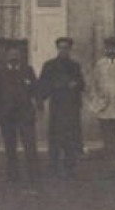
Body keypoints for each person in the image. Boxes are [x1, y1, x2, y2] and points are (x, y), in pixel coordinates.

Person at [0, 47, 40, 181]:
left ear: (20, 57)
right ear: (6, 57)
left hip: (25, 114)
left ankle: (33, 174)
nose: (13, 59)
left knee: (30, 145)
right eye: (11, 56)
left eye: (16, 56)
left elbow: (36, 90)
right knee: (10, 146)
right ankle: (13, 175)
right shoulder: (0, 72)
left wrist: (39, 108)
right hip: (7, 115)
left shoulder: (28, 71)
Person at [37, 37, 86, 177]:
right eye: (61, 47)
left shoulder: (75, 66)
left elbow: (82, 84)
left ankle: (70, 166)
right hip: (57, 105)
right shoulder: (50, 65)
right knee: (55, 135)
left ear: (70, 49)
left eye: (66, 48)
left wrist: (76, 84)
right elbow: (43, 84)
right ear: (57, 49)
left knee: (71, 136)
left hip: (71, 105)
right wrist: (40, 100)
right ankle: (53, 164)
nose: (63, 50)